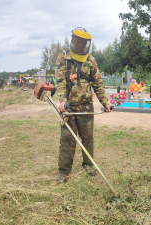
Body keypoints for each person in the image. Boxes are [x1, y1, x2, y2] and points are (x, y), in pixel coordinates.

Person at [55, 27, 112, 183]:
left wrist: (105, 103)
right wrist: (62, 100)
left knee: (87, 138)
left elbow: (98, 84)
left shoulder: (91, 60)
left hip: (86, 107)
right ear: (73, 41)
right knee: (67, 139)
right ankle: (64, 171)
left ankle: (88, 165)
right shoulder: (63, 58)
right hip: (69, 108)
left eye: (83, 42)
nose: (81, 45)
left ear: (87, 43)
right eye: (78, 42)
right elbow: (60, 81)